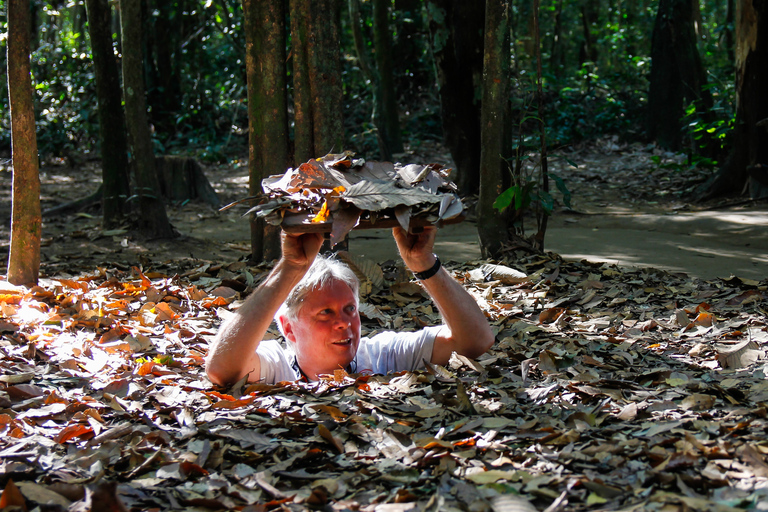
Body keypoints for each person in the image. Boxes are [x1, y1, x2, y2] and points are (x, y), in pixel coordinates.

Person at [205, 226, 495, 385]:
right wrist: (290, 268)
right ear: (288, 329)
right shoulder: (275, 366)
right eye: (325, 313)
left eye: (349, 309)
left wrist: (423, 263)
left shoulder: (383, 355)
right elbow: (221, 370)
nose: (343, 322)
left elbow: (475, 340)